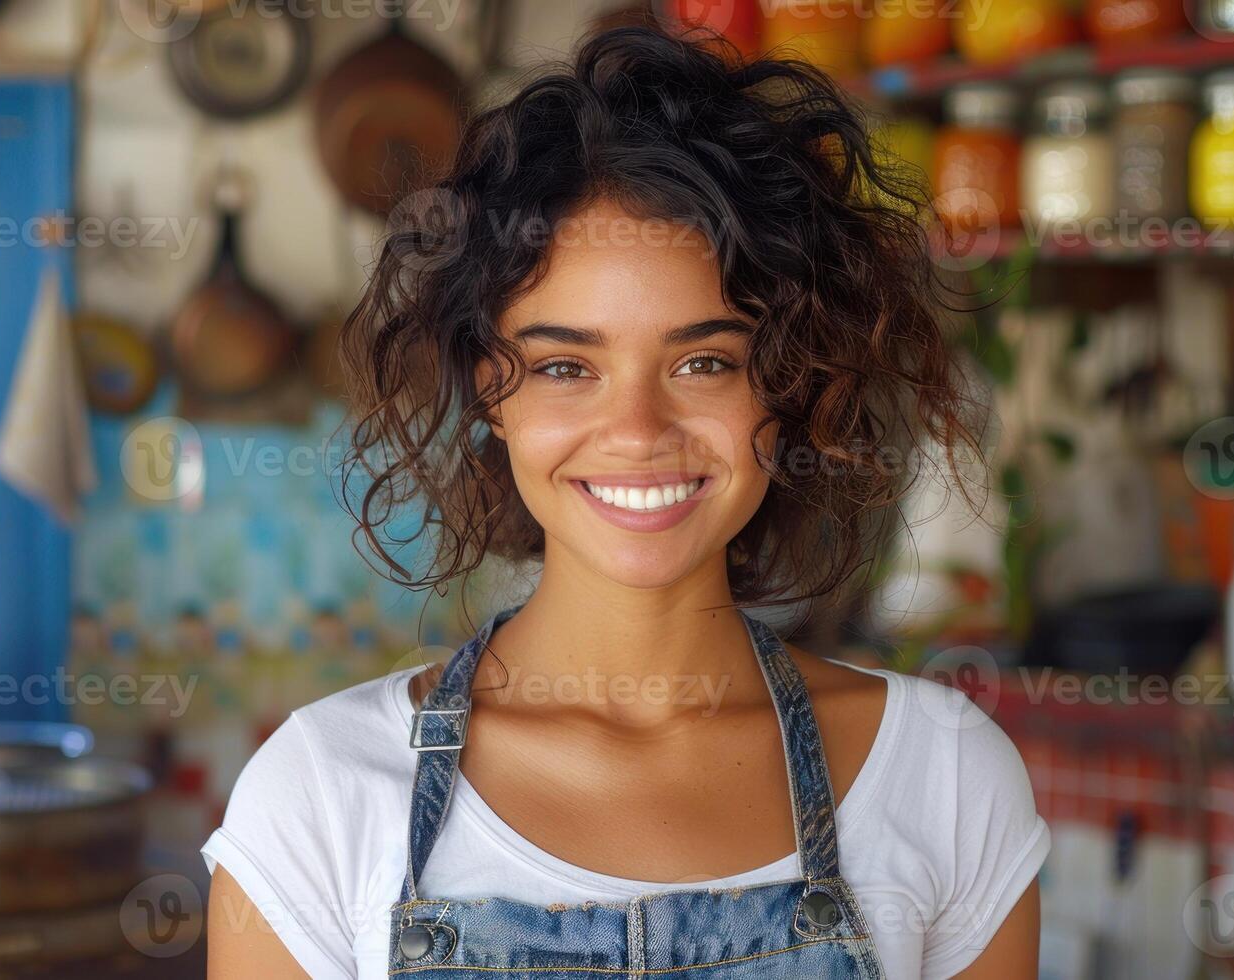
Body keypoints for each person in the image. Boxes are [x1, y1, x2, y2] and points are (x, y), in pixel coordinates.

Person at [204, 23, 1047, 979]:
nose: (638, 430)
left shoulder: (942, 775)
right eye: (567, 365)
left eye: (704, 361)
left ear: (787, 381)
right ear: (492, 389)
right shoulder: (319, 795)